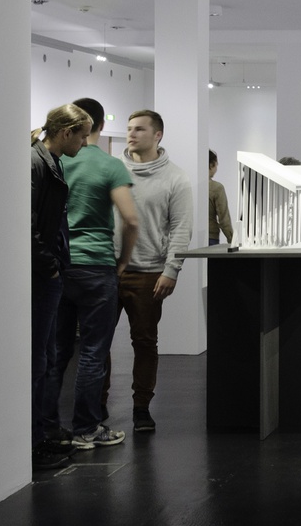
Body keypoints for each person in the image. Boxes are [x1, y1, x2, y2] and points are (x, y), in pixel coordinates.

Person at [45, 98, 137, 451]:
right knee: (93, 351)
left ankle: (49, 429)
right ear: (100, 124)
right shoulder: (110, 165)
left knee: (57, 352)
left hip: (60, 265)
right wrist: (123, 261)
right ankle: (86, 427)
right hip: (97, 265)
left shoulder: (55, 160)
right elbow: (130, 220)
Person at [113, 109, 193, 433]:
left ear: (157, 135)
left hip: (148, 272)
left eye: (139, 129)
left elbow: (181, 227)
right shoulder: (112, 169)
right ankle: (94, 410)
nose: (131, 134)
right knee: (96, 343)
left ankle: (141, 407)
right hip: (107, 270)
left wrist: (171, 269)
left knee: (145, 342)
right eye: (129, 128)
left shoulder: (175, 178)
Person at [30, 103, 91, 470]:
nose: (84, 143)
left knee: (47, 357)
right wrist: (49, 266)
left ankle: (40, 434)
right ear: (66, 132)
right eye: (82, 136)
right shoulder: (37, 163)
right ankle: (33, 443)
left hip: (48, 274)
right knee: (38, 359)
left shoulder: (49, 162)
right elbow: (29, 222)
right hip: (42, 276)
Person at [208, 150, 234, 246]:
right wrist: (232, 240)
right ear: (211, 165)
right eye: (216, 165)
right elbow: (224, 219)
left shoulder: (190, 185)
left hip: (192, 237)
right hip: (211, 237)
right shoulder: (216, 188)